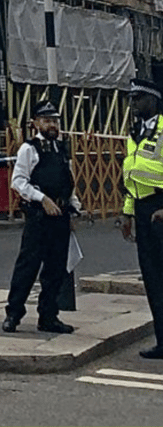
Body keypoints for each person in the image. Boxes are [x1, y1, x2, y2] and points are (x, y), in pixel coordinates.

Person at [2, 100, 81, 334]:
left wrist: (75, 207)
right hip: (38, 217)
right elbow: (18, 182)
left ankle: (48, 316)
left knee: (56, 269)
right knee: (27, 267)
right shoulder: (29, 149)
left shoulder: (61, 148)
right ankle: (13, 314)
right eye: (46, 120)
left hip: (61, 215)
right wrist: (41, 199)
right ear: (36, 123)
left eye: (55, 120)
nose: (52, 124)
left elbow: (69, 181)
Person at [120, 78, 163, 359]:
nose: (133, 105)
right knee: (153, 279)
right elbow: (131, 178)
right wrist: (127, 213)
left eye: (138, 99)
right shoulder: (134, 133)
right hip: (143, 209)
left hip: (161, 208)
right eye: (132, 100)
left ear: (153, 100)